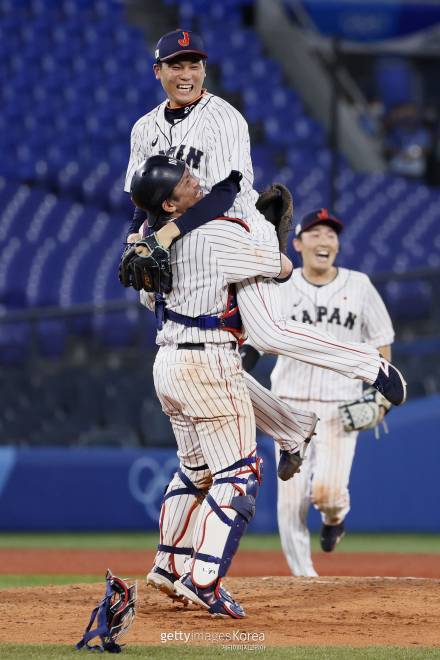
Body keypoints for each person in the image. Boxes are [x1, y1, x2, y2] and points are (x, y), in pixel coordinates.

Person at [124, 28, 407, 410]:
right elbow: (142, 199)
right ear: (158, 71)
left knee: (269, 333)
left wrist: (169, 233)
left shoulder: (224, 118)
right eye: (177, 65)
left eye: (194, 64)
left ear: (205, 70)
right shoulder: (144, 129)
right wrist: (134, 239)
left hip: (234, 230)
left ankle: (370, 365)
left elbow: (224, 192)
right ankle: (292, 429)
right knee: (199, 350)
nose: (186, 73)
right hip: (182, 242)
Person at [131, 154, 317, 618]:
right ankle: (205, 579)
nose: (197, 182)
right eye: (186, 181)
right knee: (238, 472)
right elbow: (283, 268)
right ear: (171, 204)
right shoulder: (211, 234)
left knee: (196, 471)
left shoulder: (148, 243)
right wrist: (270, 237)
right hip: (208, 360)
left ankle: (169, 565)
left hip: (168, 362)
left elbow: (144, 290)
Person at [269, 209, 395, 577]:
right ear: (297, 244)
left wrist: (381, 397)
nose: (325, 240)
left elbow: (381, 342)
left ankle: (335, 518)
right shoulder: (281, 287)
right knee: (290, 499)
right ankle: (303, 579)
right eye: (315, 233)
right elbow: (258, 340)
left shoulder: (359, 285)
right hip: (289, 406)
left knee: (326, 492)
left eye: (331, 235)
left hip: (341, 405)